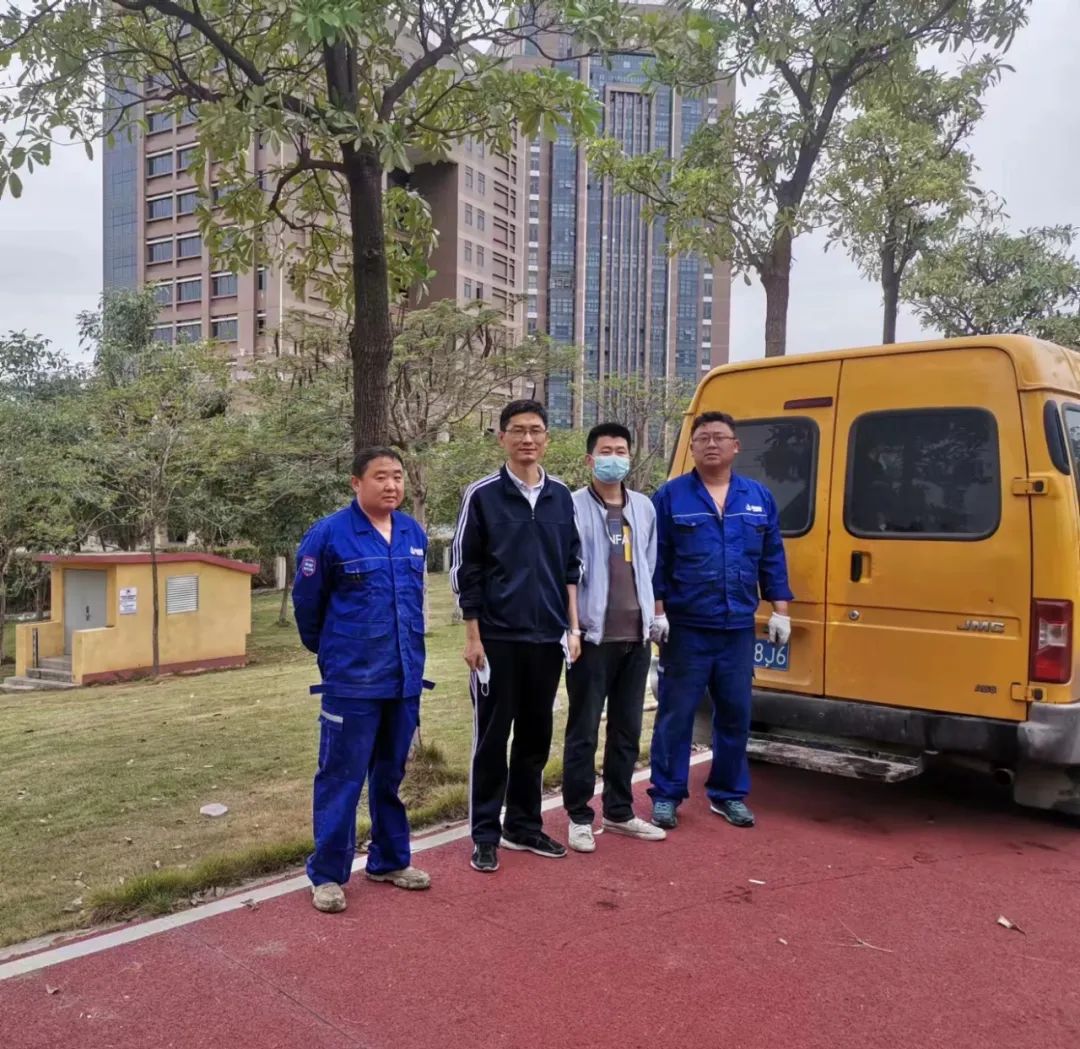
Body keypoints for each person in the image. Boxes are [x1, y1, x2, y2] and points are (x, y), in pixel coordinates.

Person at [293, 447, 433, 913]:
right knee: (341, 778)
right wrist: (334, 654)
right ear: (356, 483)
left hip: (403, 678)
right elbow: (307, 607)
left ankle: (389, 861)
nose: (391, 485)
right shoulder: (329, 535)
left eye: (397, 476)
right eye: (380, 477)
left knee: (390, 775)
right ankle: (328, 875)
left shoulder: (412, 532)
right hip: (351, 682)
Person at [451, 399, 582, 873]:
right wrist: (473, 636)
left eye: (536, 430)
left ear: (547, 438)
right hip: (497, 640)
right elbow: (466, 570)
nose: (528, 438)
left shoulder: (561, 496)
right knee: (492, 739)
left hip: (546, 638)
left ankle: (523, 826)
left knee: (535, 736)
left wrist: (572, 628)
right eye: (518, 430)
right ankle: (485, 834)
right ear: (502, 437)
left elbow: (571, 567)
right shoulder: (482, 495)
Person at [649, 411, 793, 831]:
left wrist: (780, 611)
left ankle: (728, 794)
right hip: (686, 628)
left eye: (719, 437)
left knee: (735, 714)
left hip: (737, 629)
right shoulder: (670, 497)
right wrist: (658, 612)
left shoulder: (758, 497)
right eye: (703, 438)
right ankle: (666, 795)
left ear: (735, 446)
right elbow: (656, 559)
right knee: (676, 714)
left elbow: (772, 557)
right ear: (692, 447)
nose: (711, 444)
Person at [562, 423, 667, 852]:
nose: (614, 458)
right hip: (592, 638)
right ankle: (578, 816)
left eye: (621, 450)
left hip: (635, 638)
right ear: (590, 459)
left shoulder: (643, 507)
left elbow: (650, 564)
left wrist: (655, 618)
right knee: (584, 731)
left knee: (627, 730)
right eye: (606, 451)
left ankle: (620, 811)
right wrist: (572, 628)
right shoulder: (570, 506)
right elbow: (566, 573)